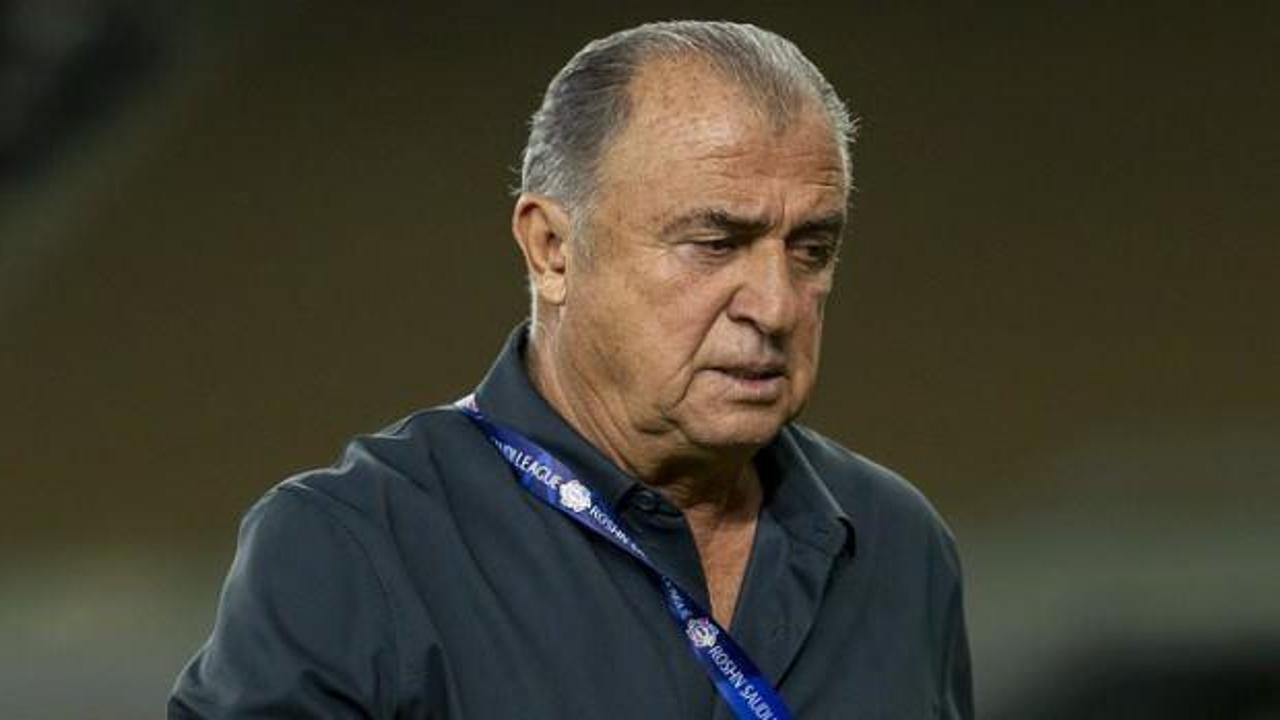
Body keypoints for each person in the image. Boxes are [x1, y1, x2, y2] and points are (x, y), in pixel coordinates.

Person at [170, 20, 973, 719]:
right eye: (715, 243)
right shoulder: (351, 549)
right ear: (552, 249)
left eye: (811, 249)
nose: (775, 304)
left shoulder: (898, 547)